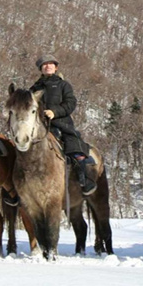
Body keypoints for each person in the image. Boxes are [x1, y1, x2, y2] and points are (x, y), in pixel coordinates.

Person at [30, 55, 97, 195]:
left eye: (51, 64)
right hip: (39, 125)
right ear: (41, 69)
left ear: (56, 67)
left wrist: (54, 112)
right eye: (44, 64)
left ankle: (85, 178)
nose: (48, 66)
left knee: (74, 148)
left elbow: (70, 103)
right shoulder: (34, 88)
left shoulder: (63, 85)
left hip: (61, 123)